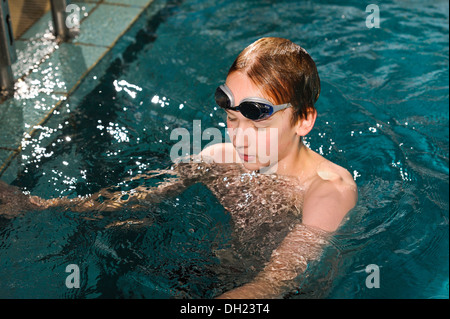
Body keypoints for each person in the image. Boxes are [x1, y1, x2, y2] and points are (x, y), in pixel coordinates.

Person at [0, 37, 357, 298]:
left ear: (304, 120)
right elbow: (140, 198)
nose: (240, 139)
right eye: (231, 120)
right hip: (215, 275)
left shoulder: (329, 191)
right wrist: (41, 207)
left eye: (258, 126)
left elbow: (277, 281)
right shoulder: (220, 159)